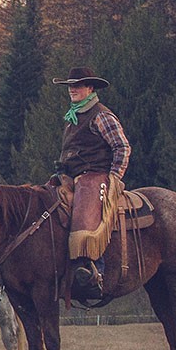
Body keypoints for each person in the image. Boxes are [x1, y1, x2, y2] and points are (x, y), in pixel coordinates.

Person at [53, 67, 130, 298]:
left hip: (95, 176)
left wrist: (114, 178)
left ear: (90, 88)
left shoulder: (100, 115)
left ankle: (95, 270)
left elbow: (122, 147)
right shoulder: (73, 116)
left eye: (78, 85)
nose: (72, 89)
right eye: (70, 85)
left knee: (87, 213)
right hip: (71, 176)